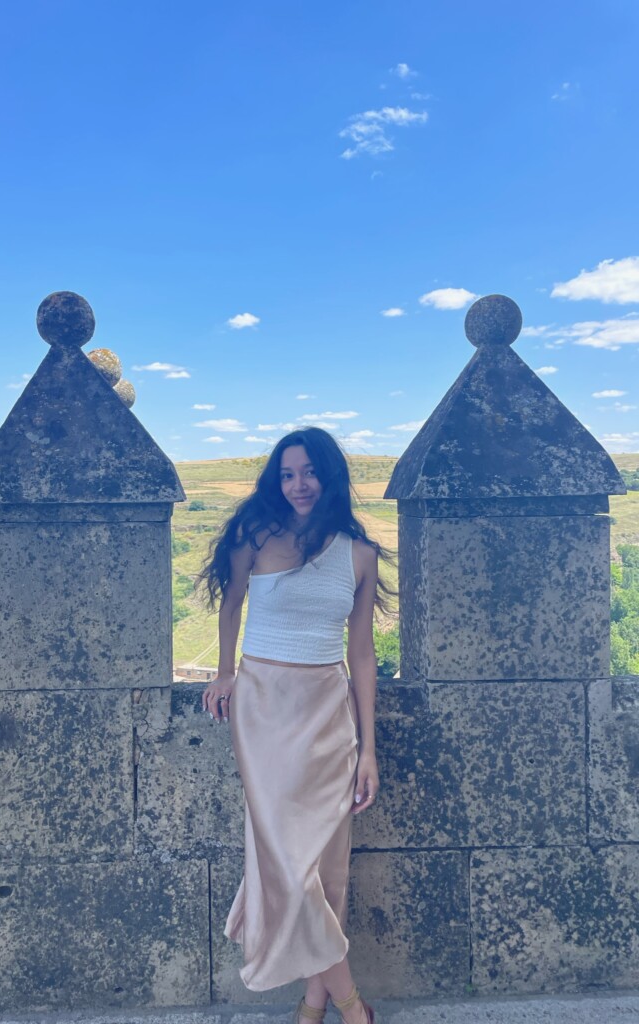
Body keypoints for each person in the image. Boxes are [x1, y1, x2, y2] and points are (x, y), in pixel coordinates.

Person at [199, 427, 394, 1024]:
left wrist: (368, 749)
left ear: (328, 475)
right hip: (261, 708)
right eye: (286, 474)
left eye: (308, 472)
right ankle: (353, 1005)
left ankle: (313, 1001)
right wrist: (226, 670)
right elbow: (232, 603)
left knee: (326, 865)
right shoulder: (255, 537)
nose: (298, 485)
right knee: (285, 861)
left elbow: (360, 656)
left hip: (328, 713)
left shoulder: (359, 554)